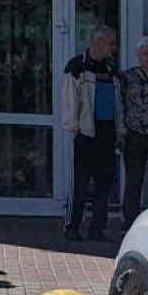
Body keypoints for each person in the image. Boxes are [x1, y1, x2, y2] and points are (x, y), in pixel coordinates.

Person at [60, 25, 121, 239]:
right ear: (98, 42)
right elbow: (70, 100)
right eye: (110, 43)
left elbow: (117, 101)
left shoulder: (111, 69)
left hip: (107, 133)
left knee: (104, 184)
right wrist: (74, 128)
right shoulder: (77, 66)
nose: (113, 48)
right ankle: (72, 226)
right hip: (86, 133)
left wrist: (118, 131)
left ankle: (97, 228)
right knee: (80, 183)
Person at [118, 37, 148, 222]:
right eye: (145, 54)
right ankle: (129, 222)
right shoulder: (127, 77)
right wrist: (120, 131)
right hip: (134, 134)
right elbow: (120, 105)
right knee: (133, 181)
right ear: (138, 56)